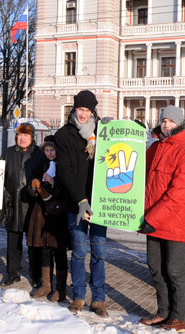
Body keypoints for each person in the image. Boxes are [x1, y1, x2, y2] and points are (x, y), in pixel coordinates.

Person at [138, 105, 185, 331]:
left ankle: (178, 317)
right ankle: (163, 312)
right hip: (152, 220)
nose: (165, 125)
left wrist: (152, 218)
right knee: (155, 267)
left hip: (171, 222)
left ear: (179, 124)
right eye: (163, 121)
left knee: (174, 271)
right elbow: (135, 173)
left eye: (170, 121)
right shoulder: (155, 148)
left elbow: (178, 195)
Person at [54, 90, 109, 317]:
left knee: (99, 252)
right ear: (74, 109)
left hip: (100, 203)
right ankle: (78, 296)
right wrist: (80, 200)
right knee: (78, 252)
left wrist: (115, 130)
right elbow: (65, 172)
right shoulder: (63, 135)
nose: (83, 114)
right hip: (77, 204)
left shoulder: (102, 134)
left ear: (93, 111)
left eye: (87, 110)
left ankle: (98, 299)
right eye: (80, 109)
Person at [0, 123, 45, 287]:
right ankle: (13, 274)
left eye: (26, 135)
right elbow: (0, 176)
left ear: (32, 137)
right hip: (12, 203)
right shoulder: (8, 153)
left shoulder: (39, 155)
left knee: (34, 244)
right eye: (20, 135)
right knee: (13, 242)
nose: (22, 138)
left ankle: (36, 276)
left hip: (32, 206)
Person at [26, 135, 69, 302]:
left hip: (58, 214)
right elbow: (31, 185)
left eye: (53, 150)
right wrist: (33, 187)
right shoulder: (40, 164)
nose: (50, 153)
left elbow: (65, 189)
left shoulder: (63, 165)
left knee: (59, 250)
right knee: (44, 249)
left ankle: (60, 288)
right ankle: (46, 285)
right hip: (41, 213)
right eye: (47, 150)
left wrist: (52, 182)